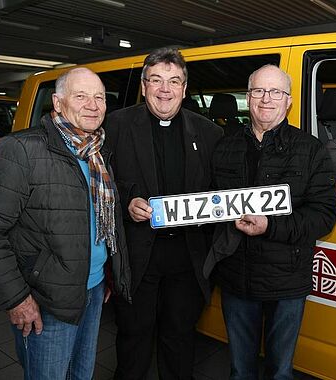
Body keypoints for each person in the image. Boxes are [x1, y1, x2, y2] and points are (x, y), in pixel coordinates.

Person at [0, 67, 131, 380]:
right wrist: (16, 298)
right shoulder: (22, 150)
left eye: (99, 97)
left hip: (94, 288)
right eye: (81, 96)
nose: (93, 104)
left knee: (81, 375)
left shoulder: (99, 153)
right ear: (58, 103)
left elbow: (97, 219)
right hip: (47, 301)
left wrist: (109, 274)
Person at [203, 64, 336, 380]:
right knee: (240, 371)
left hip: (287, 281)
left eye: (275, 92)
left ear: (288, 101)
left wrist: (271, 226)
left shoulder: (311, 150)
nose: (266, 99)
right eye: (259, 91)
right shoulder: (225, 146)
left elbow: (325, 215)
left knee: (280, 372)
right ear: (248, 98)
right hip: (237, 276)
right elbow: (211, 201)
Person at [104, 47, 223, 380]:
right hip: (139, 253)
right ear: (144, 86)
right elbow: (100, 183)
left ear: (184, 89)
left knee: (180, 339)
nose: (164, 89)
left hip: (187, 256)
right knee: (133, 340)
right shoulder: (116, 126)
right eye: (155, 80)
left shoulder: (210, 134)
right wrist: (126, 202)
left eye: (174, 81)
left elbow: (220, 191)